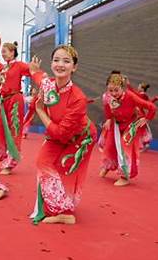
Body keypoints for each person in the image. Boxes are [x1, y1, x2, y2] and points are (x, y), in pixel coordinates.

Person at [28, 46, 97, 225]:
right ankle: (60, 206)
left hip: (81, 137)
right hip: (56, 131)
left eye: (66, 61)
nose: (60, 65)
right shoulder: (48, 84)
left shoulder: (78, 99)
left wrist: (40, 110)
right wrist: (34, 71)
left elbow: (61, 134)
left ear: (74, 67)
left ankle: (64, 212)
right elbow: (38, 77)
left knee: (65, 167)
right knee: (43, 163)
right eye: (56, 60)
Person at [99, 73, 157, 186]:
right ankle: (108, 167)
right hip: (116, 124)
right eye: (110, 90)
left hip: (130, 126)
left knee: (125, 148)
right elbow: (107, 109)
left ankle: (124, 176)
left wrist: (147, 118)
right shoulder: (107, 97)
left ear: (122, 88)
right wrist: (108, 119)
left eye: (116, 90)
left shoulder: (130, 96)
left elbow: (152, 107)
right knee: (110, 146)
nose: (113, 93)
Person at [0, 34, 31, 174]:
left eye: (5, 51)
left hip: (15, 100)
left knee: (15, 130)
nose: (3, 54)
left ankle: (11, 161)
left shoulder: (19, 66)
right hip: (3, 101)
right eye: (2, 52)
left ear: (13, 52)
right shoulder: (4, 68)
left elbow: (33, 71)